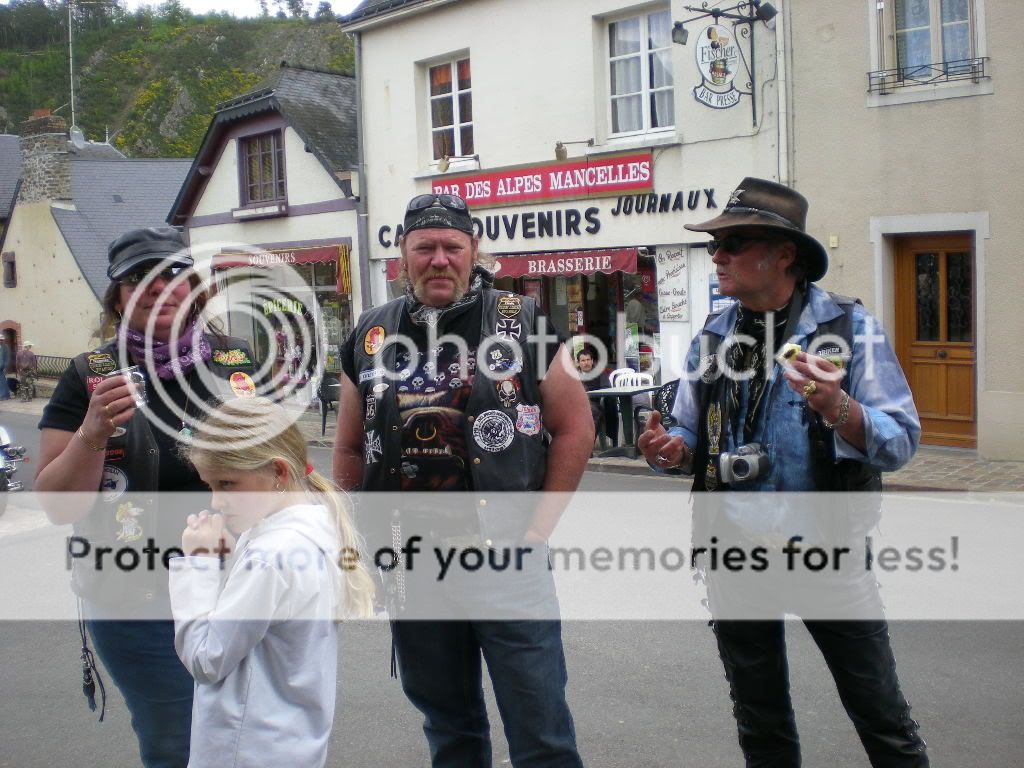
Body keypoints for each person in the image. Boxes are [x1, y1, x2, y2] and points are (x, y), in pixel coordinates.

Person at [638, 178, 929, 767]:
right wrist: (669, 448)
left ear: (784, 254)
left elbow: (900, 442)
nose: (717, 256)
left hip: (827, 552)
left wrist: (835, 406)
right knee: (760, 719)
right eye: (716, 244)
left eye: (733, 242)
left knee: (881, 716)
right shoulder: (716, 333)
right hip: (734, 553)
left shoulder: (848, 330)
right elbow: (691, 433)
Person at [333, 193, 594, 767]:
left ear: (475, 251)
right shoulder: (370, 334)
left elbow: (575, 429)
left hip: (507, 556)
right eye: (424, 247)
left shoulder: (524, 320)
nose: (439, 258)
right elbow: (349, 447)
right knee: (449, 725)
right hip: (411, 561)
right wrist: (357, 536)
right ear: (401, 255)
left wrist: (539, 530)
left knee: (540, 725)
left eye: (453, 246)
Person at [35, 226, 256, 768]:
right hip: (135, 599)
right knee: (177, 742)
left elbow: (282, 473)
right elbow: (57, 505)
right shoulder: (92, 375)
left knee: (250, 735)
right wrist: (93, 432)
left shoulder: (237, 363)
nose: (159, 288)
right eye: (139, 278)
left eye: (173, 274)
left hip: (237, 589)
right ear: (118, 297)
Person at [169, 397, 374, 768]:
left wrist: (197, 566)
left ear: (278, 473)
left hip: (246, 748)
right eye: (211, 485)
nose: (216, 501)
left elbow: (207, 659)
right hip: (293, 741)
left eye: (227, 483)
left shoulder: (270, 555)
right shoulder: (316, 524)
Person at [576, 345, 617, 446]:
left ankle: (587, 445)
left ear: (592, 361)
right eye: (583, 360)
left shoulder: (599, 373)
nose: (586, 363)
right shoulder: (573, 375)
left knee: (593, 411)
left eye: (588, 360)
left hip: (595, 403)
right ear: (578, 363)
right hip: (576, 405)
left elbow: (606, 388)